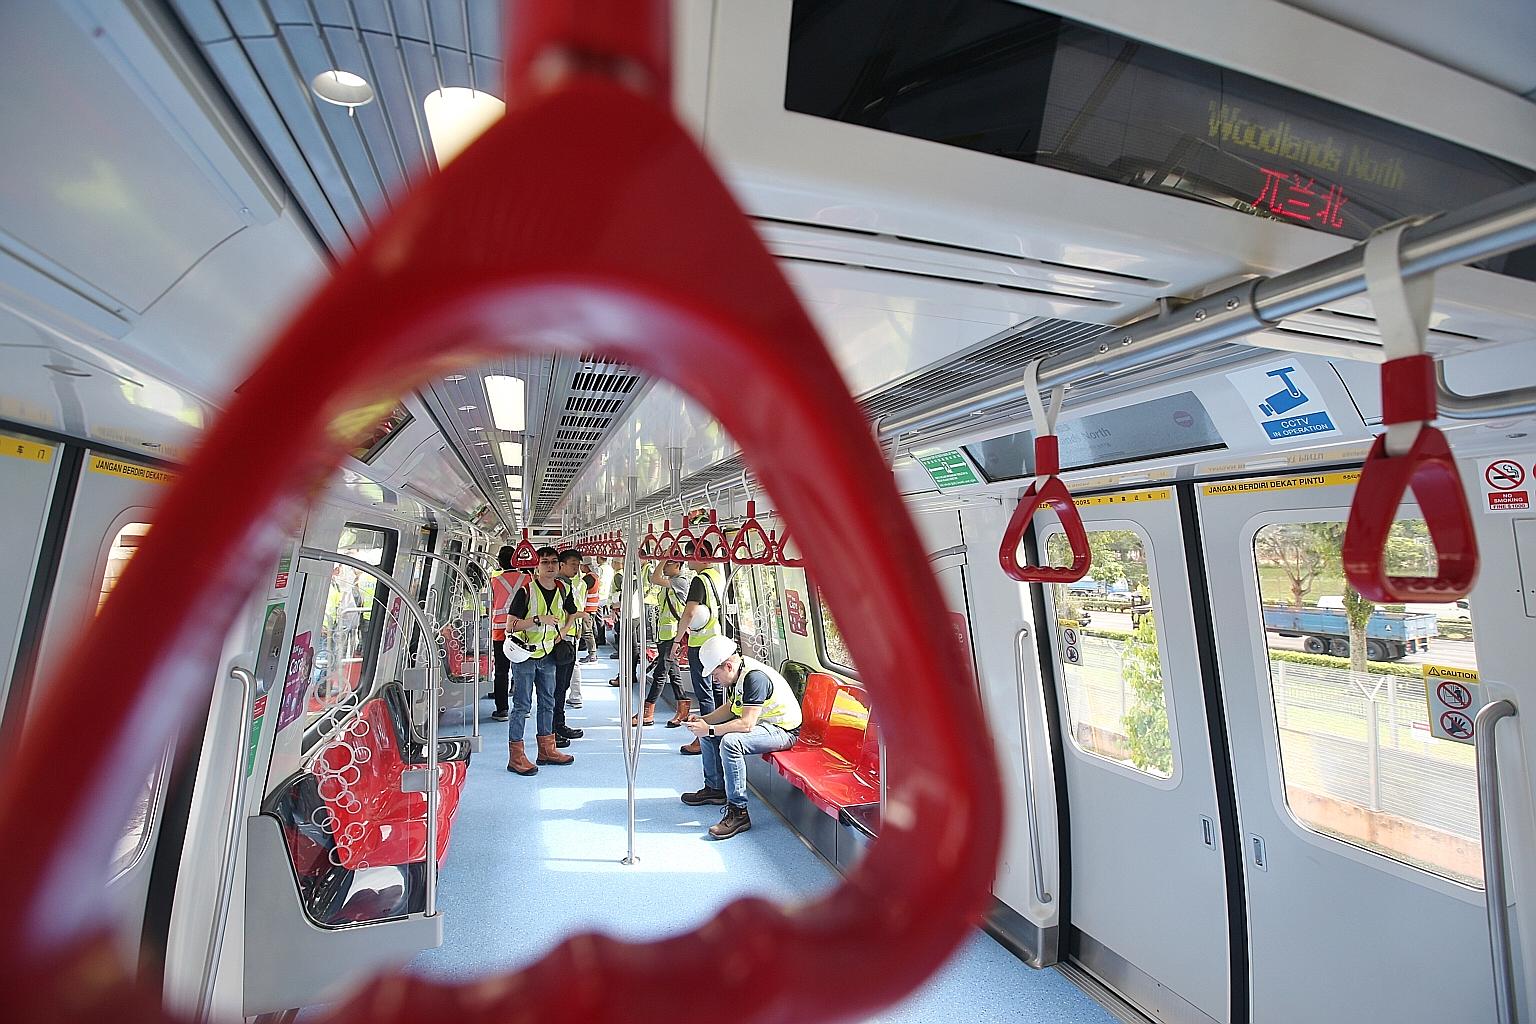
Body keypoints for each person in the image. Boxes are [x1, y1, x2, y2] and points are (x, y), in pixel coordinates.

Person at [680, 635, 802, 839]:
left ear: (728, 666)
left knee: (730, 742)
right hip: (764, 726)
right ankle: (715, 788)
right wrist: (704, 720)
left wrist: (709, 729)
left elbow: (746, 724)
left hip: (783, 731)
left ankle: (739, 812)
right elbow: (731, 708)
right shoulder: (739, 675)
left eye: (715, 673)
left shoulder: (755, 678)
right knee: (710, 730)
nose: (713, 679)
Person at [503, 547, 578, 775]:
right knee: (522, 706)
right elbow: (510, 626)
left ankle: (547, 750)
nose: (550, 566)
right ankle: (516, 757)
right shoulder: (526, 592)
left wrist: (563, 632)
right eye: (545, 562)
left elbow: (572, 612)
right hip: (525, 656)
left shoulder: (563, 589)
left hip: (548, 656)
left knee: (548, 703)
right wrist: (537, 620)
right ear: (537, 566)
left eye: (554, 562)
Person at [677, 541, 727, 755]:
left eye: (689, 555)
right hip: (718, 641)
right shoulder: (718, 576)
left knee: (704, 693)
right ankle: (719, 735)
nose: (687, 559)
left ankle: (703, 740)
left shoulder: (699, 580)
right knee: (718, 692)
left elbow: (689, 613)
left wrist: (678, 640)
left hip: (700, 644)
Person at [638, 557, 692, 727]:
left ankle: (648, 712)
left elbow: (654, 578)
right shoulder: (670, 582)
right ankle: (683, 708)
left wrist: (660, 559)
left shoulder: (680, 582)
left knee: (660, 673)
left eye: (668, 563)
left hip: (673, 635)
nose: (664, 567)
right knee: (673, 673)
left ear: (678, 564)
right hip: (664, 634)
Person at [487, 545, 527, 723]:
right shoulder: (528, 579)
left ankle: (502, 709)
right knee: (522, 671)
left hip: (499, 632)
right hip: (522, 630)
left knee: (501, 671)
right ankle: (522, 708)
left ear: (499, 562)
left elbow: (489, 606)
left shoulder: (494, 582)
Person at [551, 549, 588, 737]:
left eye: (578, 565)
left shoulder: (571, 584)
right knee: (558, 686)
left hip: (568, 637)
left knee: (561, 685)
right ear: (562, 565)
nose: (576, 568)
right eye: (573, 564)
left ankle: (558, 725)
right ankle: (554, 729)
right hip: (560, 638)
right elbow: (566, 613)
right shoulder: (559, 585)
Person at [579, 560, 600, 663]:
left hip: (587, 609)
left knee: (587, 632)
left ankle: (592, 654)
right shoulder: (594, 576)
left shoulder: (588, 578)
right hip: (592, 608)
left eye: (581, 565)